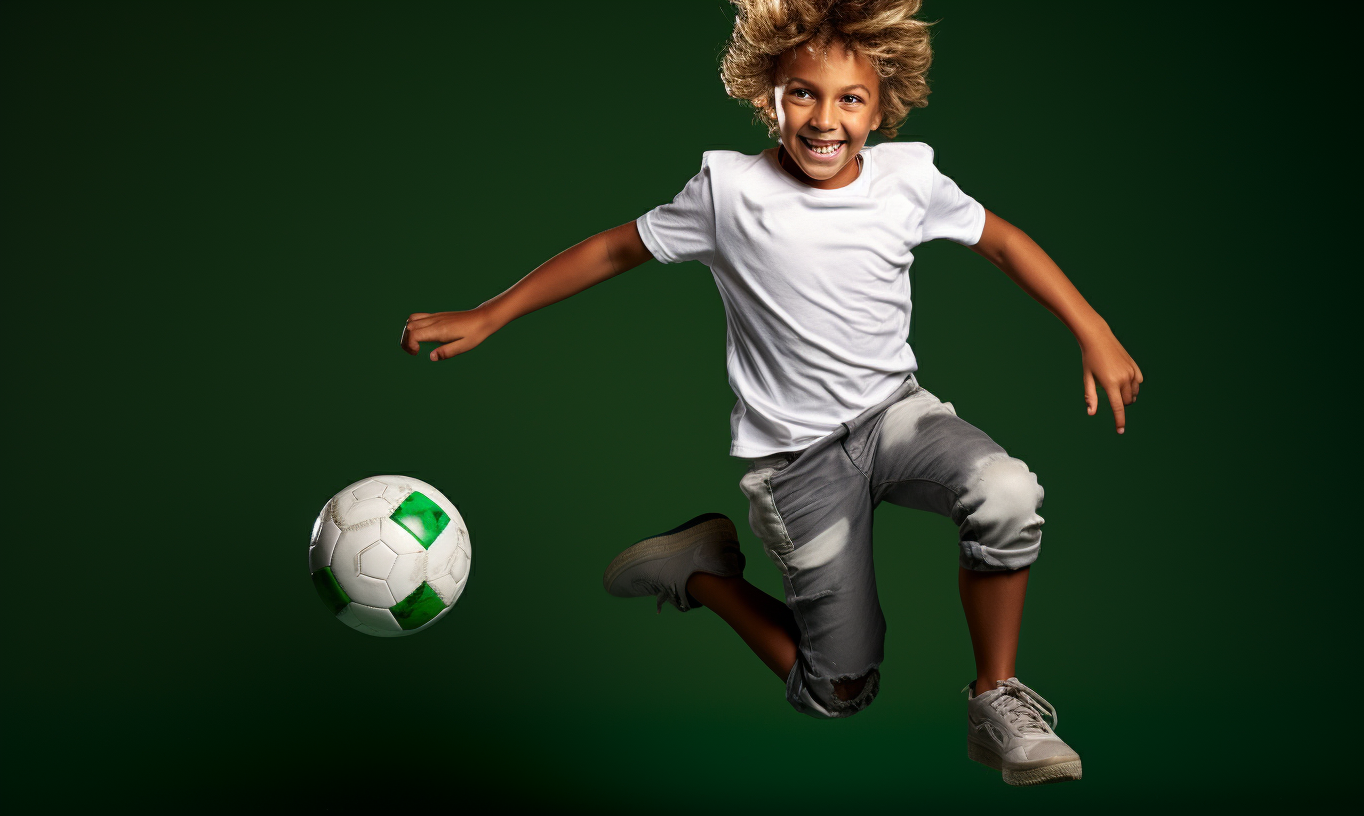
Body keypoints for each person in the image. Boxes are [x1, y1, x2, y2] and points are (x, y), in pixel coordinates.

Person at [398, 0, 1141, 787]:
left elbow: (1000, 240)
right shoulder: (728, 192)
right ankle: (702, 575)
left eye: (849, 98)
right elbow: (618, 248)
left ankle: (997, 698)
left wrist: (1091, 328)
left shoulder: (908, 180)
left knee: (1006, 491)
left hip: (895, 417)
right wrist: (491, 313)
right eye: (802, 93)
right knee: (839, 691)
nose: (825, 119)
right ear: (769, 95)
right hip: (798, 461)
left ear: (882, 107)